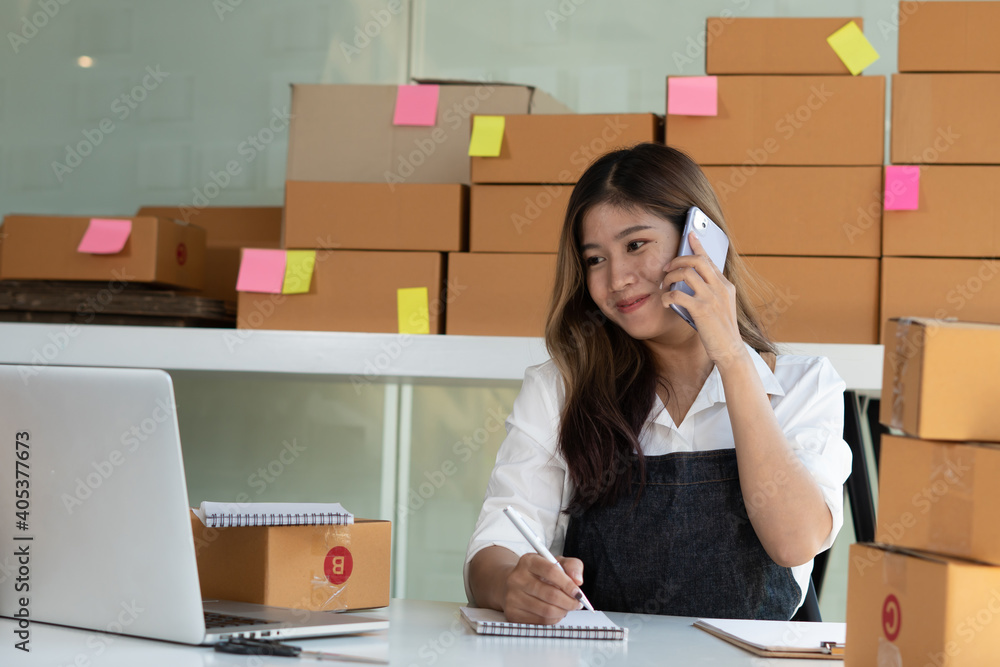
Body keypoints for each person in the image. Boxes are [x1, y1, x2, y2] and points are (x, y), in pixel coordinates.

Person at [464, 143, 852, 624]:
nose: (617, 279)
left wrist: (730, 355)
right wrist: (510, 585)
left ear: (701, 241)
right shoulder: (562, 389)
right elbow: (491, 549)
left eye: (635, 245)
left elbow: (794, 542)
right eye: (594, 259)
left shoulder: (802, 385)